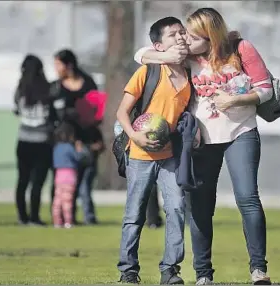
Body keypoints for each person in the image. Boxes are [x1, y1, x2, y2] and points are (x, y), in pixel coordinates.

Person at [134, 8, 273, 285]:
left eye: (192, 35)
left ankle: (258, 269)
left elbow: (265, 88)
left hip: (240, 133)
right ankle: (203, 274)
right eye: (185, 33)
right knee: (199, 205)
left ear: (210, 37)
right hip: (202, 139)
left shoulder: (241, 49)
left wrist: (234, 101)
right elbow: (139, 54)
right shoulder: (187, 56)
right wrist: (167, 56)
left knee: (247, 198)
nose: (185, 38)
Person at [116, 17, 192, 284]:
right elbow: (122, 111)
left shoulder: (190, 74)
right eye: (173, 34)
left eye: (183, 32)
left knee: (177, 209)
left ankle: (170, 270)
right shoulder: (147, 72)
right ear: (159, 45)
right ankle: (128, 270)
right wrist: (135, 136)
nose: (181, 37)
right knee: (134, 214)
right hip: (140, 156)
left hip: (170, 156)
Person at [51, 49, 103, 225]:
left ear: (69, 65)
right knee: (65, 182)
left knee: (85, 183)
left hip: (88, 140)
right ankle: (67, 217)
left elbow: (97, 111)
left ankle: (89, 217)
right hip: (65, 142)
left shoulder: (88, 83)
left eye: (58, 64)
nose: (56, 68)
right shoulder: (56, 87)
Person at [13, 54, 55, 226]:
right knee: (37, 182)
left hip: (24, 141)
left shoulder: (20, 90)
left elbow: (17, 110)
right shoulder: (48, 89)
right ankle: (34, 217)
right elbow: (53, 115)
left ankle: (22, 217)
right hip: (43, 141)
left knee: (22, 181)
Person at [52, 122, 90, 229]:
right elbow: (78, 158)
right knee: (67, 200)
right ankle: (68, 221)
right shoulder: (69, 147)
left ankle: (57, 221)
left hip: (58, 175)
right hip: (69, 176)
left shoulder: (57, 147)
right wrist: (79, 149)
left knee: (57, 200)